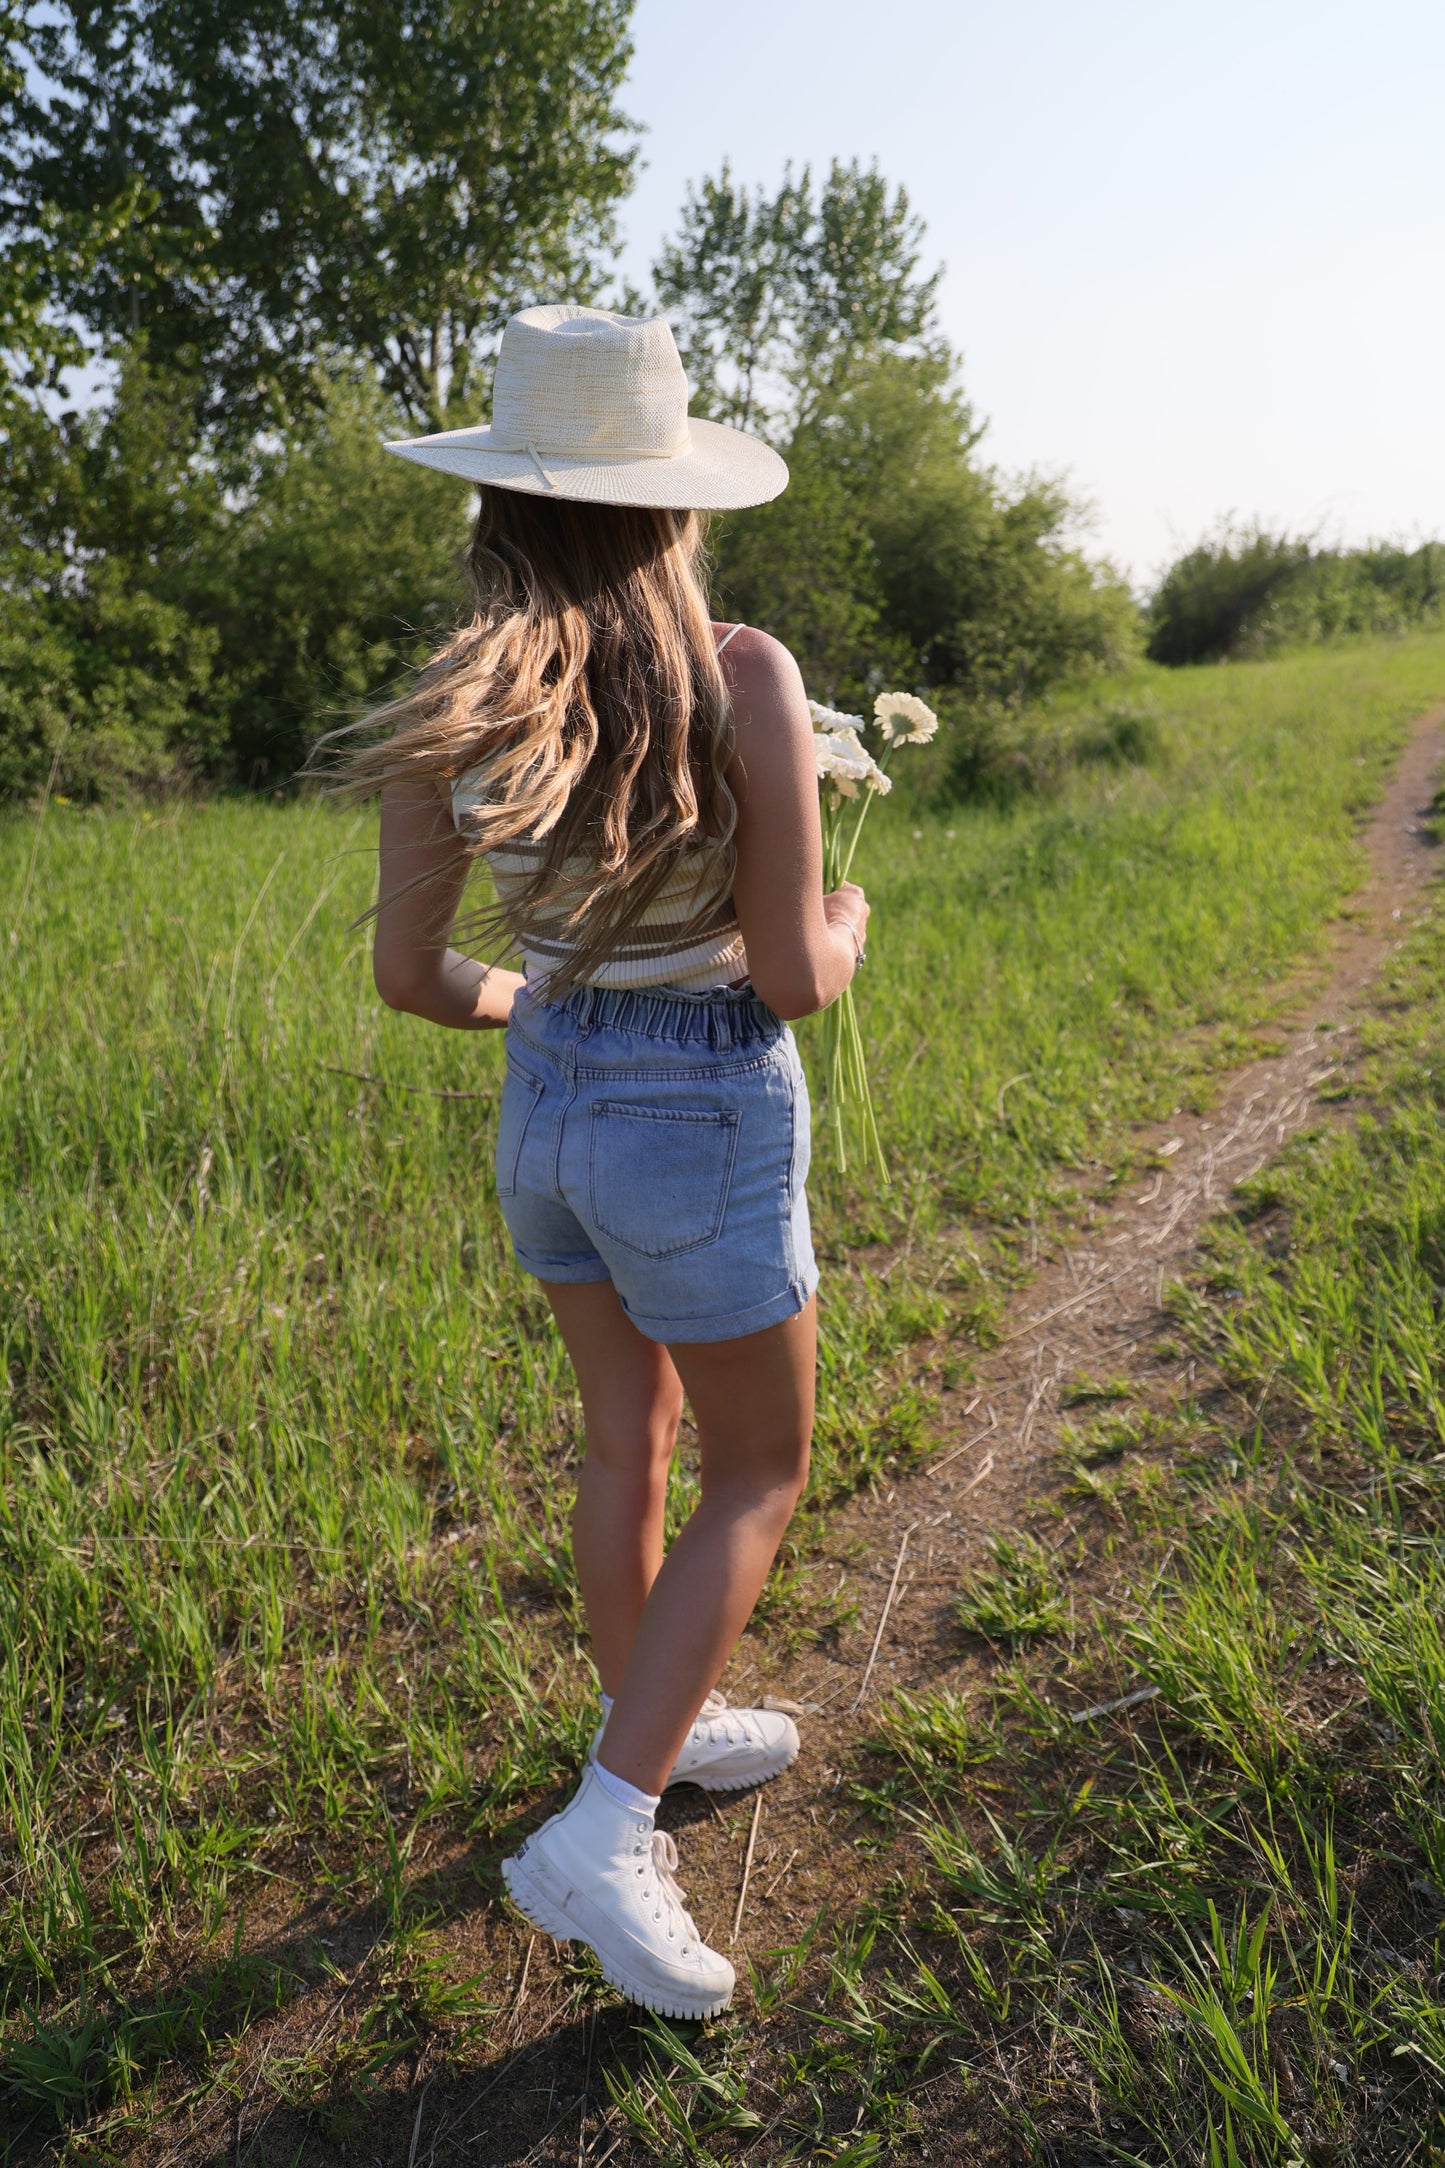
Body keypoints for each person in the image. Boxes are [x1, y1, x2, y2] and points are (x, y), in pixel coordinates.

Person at [336, 305, 869, 2019]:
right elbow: (788, 975)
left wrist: (549, 1019)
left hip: (545, 1099)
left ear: (497, 506)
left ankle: (663, 1711)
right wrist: (850, 922)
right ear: (671, 506)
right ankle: (609, 1825)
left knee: (621, 1439)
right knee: (758, 1472)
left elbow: (414, 977)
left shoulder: (460, 700)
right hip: (700, 1109)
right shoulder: (746, 679)